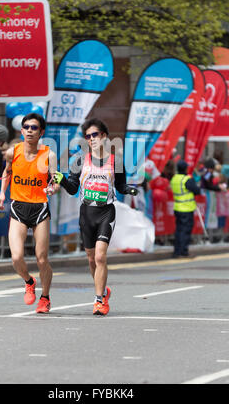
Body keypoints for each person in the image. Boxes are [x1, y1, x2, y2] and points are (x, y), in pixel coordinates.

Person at [54, 118, 138, 316]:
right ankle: (102, 290)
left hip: (106, 212)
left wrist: (130, 190)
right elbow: (73, 188)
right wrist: (63, 180)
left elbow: (120, 187)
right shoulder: (80, 161)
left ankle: (99, 300)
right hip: (86, 213)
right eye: (88, 136)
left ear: (104, 136)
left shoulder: (115, 161)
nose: (91, 139)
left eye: (95, 135)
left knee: (100, 256)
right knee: (92, 260)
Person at [0, 113, 58, 314]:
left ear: (41, 132)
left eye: (34, 127)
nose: (30, 130)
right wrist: (1, 194)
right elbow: (7, 172)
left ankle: (45, 297)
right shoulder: (13, 152)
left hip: (40, 207)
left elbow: (55, 180)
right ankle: (29, 281)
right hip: (18, 207)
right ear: (21, 131)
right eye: (27, 127)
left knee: (41, 258)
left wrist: (52, 189)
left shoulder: (49, 155)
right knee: (16, 257)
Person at [170, 159, 201, 258]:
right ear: (186, 168)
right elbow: (197, 190)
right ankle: (183, 251)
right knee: (185, 231)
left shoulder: (174, 178)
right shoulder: (187, 179)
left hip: (177, 207)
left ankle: (177, 251)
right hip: (186, 209)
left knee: (178, 230)